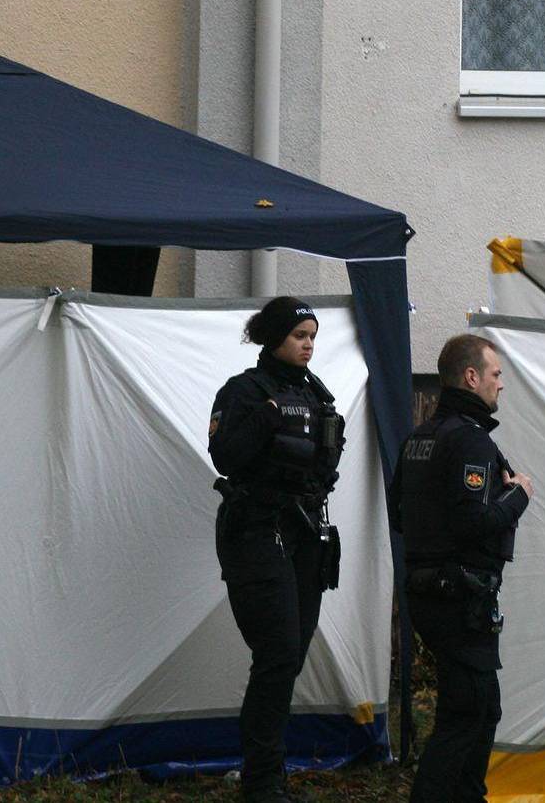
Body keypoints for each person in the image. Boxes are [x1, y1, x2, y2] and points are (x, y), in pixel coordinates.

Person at [207, 296, 347, 803]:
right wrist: (268, 417)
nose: (308, 345)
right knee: (278, 652)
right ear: (274, 338)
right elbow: (225, 456)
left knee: (290, 657)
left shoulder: (316, 393)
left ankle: (268, 774)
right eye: (298, 336)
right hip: (256, 531)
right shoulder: (244, 391)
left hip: (304, 532)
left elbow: (324, 462)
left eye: (312, 337)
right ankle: (262, 782)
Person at [391, 333, 534, 803]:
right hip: (458, 597)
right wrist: (518, 495)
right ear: (471, 377)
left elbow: (399, 514)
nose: (501, 384)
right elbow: (474, 522)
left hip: (430, 591)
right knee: (466, 713)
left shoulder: (419, 438)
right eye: (496, 374)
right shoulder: (469, 440)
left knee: (483, 707)